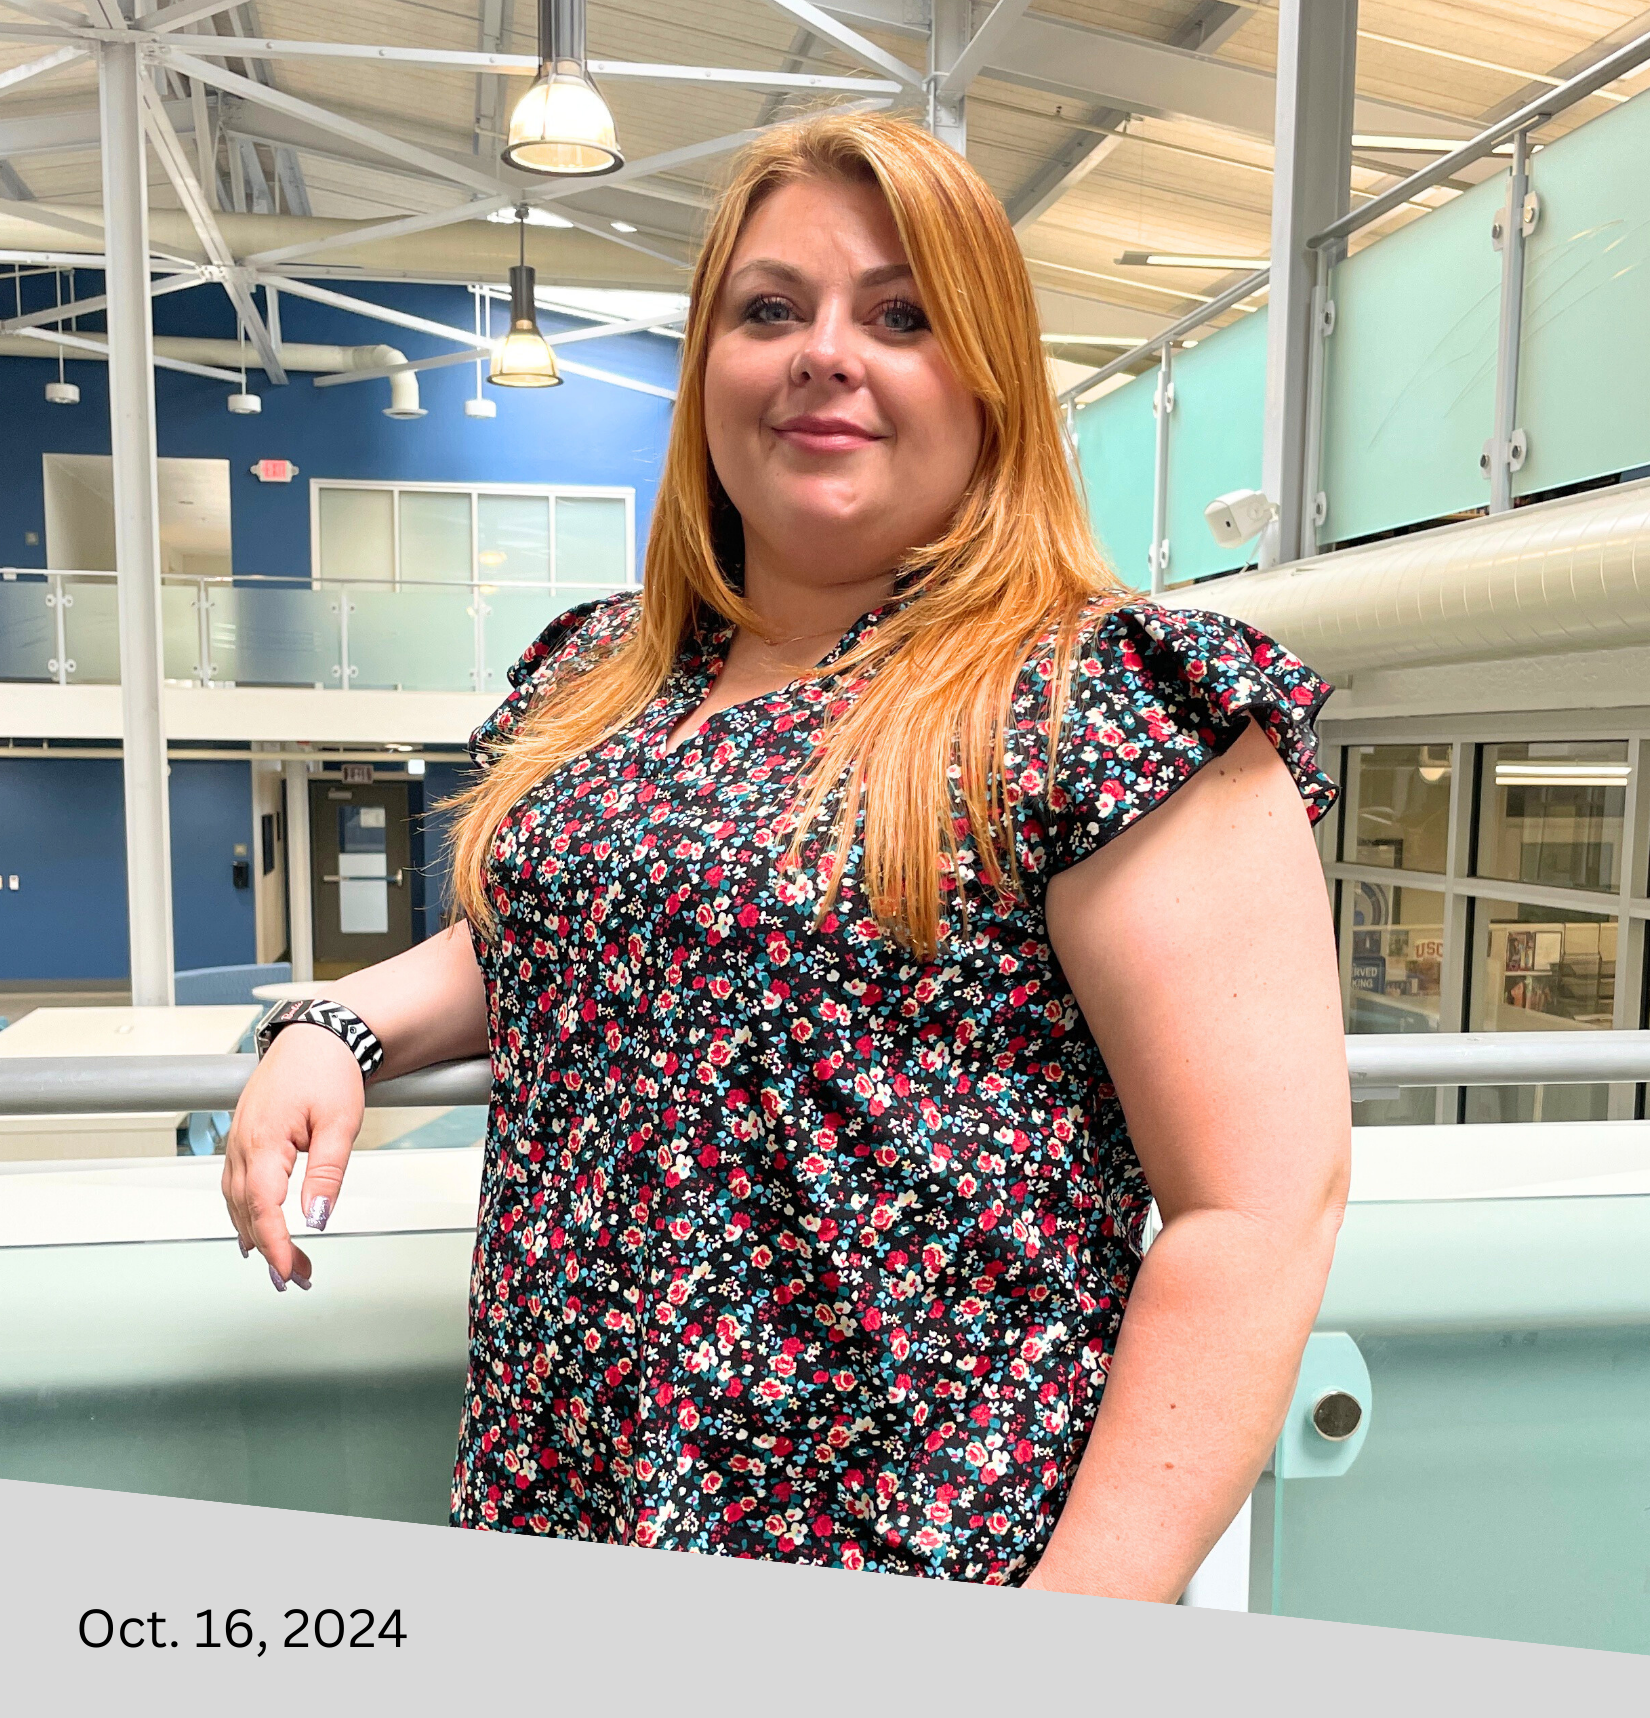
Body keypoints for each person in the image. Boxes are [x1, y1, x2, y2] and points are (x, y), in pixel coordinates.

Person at [224, 111, 1349, 1600]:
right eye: (770, 310)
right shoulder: (605, 677)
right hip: (569, 1486)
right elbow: (549, 943)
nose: (826, 352)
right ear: (706, 372)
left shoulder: (1095, 703)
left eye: (901, 314)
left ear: (991, 380)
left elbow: (1254, 1213)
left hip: (917, 1554)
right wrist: (339, 1024)